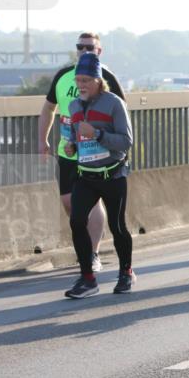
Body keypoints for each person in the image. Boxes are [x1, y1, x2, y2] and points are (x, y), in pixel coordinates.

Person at [39, 32, 125, 273]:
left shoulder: (106, 77)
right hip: (68, 151)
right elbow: (48, 109)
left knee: (91, 201)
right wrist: (42, 140)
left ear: (99, 51)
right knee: (70, 203)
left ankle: (92, 254)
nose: (84, 50)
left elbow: (121, 113)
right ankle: (87, 248)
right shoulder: (64, 76)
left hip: (97, 153)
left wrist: (114, 144)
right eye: (80, 47)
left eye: (90, 47)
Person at [63, 53, 135, 299]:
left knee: (117, 226)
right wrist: (72, 145)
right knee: (76, 221)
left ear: (98, 80)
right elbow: (75, 136)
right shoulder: (74, 106)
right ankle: (87, 278)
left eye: (86, 80)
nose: (81, 85)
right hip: (86, 176)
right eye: (78, 80)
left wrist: (97, 134)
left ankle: (126, 272)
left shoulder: (114, 103)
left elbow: (126, 142)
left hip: (112, 175)